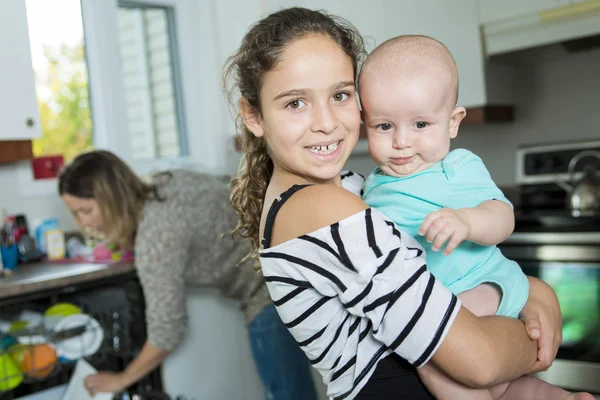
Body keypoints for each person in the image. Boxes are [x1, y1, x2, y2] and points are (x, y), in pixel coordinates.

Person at [225, 6, 564, 400]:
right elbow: (481, 361)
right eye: (295, 103)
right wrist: (536, 312)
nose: (326, 122)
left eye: (339, 95)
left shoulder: (355, 190)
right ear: (253, 115)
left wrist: (534, 293)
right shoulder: (325, 212)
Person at [358, 34, 593, 400]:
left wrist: (468, 222)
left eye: (420, 124)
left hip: (481, 287)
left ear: (453, 122)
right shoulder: (371, 187)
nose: (401, 141)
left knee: (427, 345)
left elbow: (502, 217)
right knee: (510, 388)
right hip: (447, 302)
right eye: (384, 126)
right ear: (365, 123)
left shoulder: (458, 166)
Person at [58, 150, 318, 400]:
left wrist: (121, 379)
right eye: (76, 214)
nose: (83, 224)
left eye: (86, 211)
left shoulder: (157, 236)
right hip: (299, 254)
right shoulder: (167, 181)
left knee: (288, 393)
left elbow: (167, 329)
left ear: (111, 200)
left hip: (270, 287)